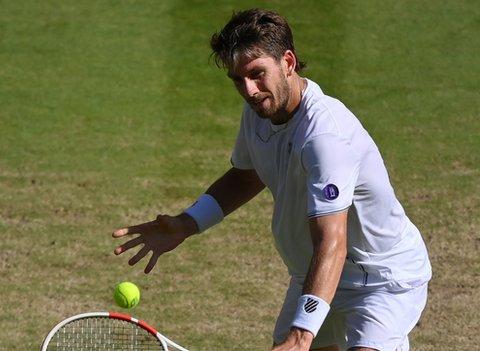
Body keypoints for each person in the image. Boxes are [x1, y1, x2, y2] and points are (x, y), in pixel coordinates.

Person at [112, 8, 431, 351]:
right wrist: (187, 223)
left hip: (378, 281)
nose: (249, 90)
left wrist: (301, 334)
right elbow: (248, 176)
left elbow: (332, 242)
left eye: (257, 74)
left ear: (288, 62)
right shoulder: (258, 114)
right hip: (314, 274)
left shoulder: (325, 138)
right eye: (238, 79)